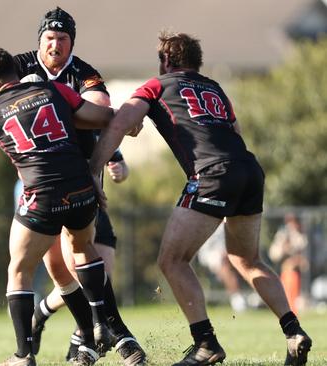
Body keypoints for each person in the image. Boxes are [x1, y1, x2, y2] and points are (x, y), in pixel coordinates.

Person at [89, 30, 313, 366]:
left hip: (211, 175)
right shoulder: (215, 88)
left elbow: (121, 121)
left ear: (166, 60)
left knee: (172, 260)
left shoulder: (157, 85)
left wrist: (94, 171)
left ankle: (206, 343)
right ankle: (293, 330)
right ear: (196, 62)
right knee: (247, 259)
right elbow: (234, 134)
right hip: (249, 170)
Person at [13, 8, 145, 366]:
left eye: (62, 39)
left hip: (81, 175)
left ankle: (88, 339)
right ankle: (86, 331)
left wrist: (111, 150)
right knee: (62, 268)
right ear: (39, 40)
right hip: (36, 179)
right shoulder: (20, 65)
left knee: (93, 262)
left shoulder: (83, 72)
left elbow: (102, 108)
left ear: (72, 42)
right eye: (49, 39)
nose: (55, 45)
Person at [0, 47, 117, 366]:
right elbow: (102, 117)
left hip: (42, 195)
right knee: (83, 249)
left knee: (19, 270)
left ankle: (23, 355)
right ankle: (99, 326)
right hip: (81, 188)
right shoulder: (53, 89)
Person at [197, 221, 248, 312]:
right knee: (224, 263)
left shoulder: (230, 223)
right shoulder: (207, 222)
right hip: (209, 254)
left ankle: (252, 296)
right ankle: (236, 299)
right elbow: (205, 247)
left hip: (227, 255)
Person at [268, 213, 309, 314]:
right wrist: (284, 248)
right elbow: (274, 254)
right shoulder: (283, 234)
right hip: (283, 270)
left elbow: (302, 252)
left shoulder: (300, 236)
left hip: (296, 272)